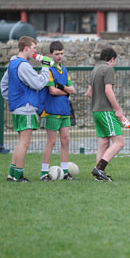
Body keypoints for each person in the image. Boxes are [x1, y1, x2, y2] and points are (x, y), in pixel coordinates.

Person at [0, 36, 52, 182]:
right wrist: (45, 68)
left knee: (20, 142)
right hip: (26, 108)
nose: (35, 51)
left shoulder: (13, 63)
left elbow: (4, 86)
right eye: (34, 48)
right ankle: (19, 176)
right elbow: (38, 83)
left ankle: (12, 173)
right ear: (26, 48)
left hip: (17, 108)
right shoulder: (24, 65)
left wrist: (13, 99)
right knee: (25, 143)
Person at [86, 47, 126, 182]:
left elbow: (89, 93)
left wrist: (98, 101)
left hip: (96, 111)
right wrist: (118, 109)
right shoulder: (108, 69)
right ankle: (99, 169)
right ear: (112, 59)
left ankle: (99, 176)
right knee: (119, 142)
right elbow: (109, 91)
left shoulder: (95, 70)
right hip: (106, 111)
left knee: (103, 143)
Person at [39, 41, 76, 181]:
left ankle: (65, 171)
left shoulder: (64, 70)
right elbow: (52, 91)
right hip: (51, 111)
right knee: (51, 141)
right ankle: (44, 173)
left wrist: (63, 88)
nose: (59, 56)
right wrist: (65, 91)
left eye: (61, 53)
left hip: (65, 110)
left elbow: (72, 89)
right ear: (50, 55)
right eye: (57, 54)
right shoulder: (49, 70)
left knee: (65, 140)